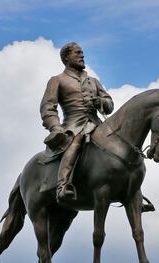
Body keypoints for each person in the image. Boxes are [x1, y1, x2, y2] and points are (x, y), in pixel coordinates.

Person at [40, 42, 113, 202]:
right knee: (76, 143)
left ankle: (134, 192)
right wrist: (56, 127)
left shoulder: (93, 81)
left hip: (97, 124)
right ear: (66, 57)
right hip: (74, 126)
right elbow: (47, 107)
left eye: (82, 53)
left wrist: (100, 101)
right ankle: (62, 186)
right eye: (77, 53)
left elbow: (109, 104)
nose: (82, 56)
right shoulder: (57, 80)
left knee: (121, 145)